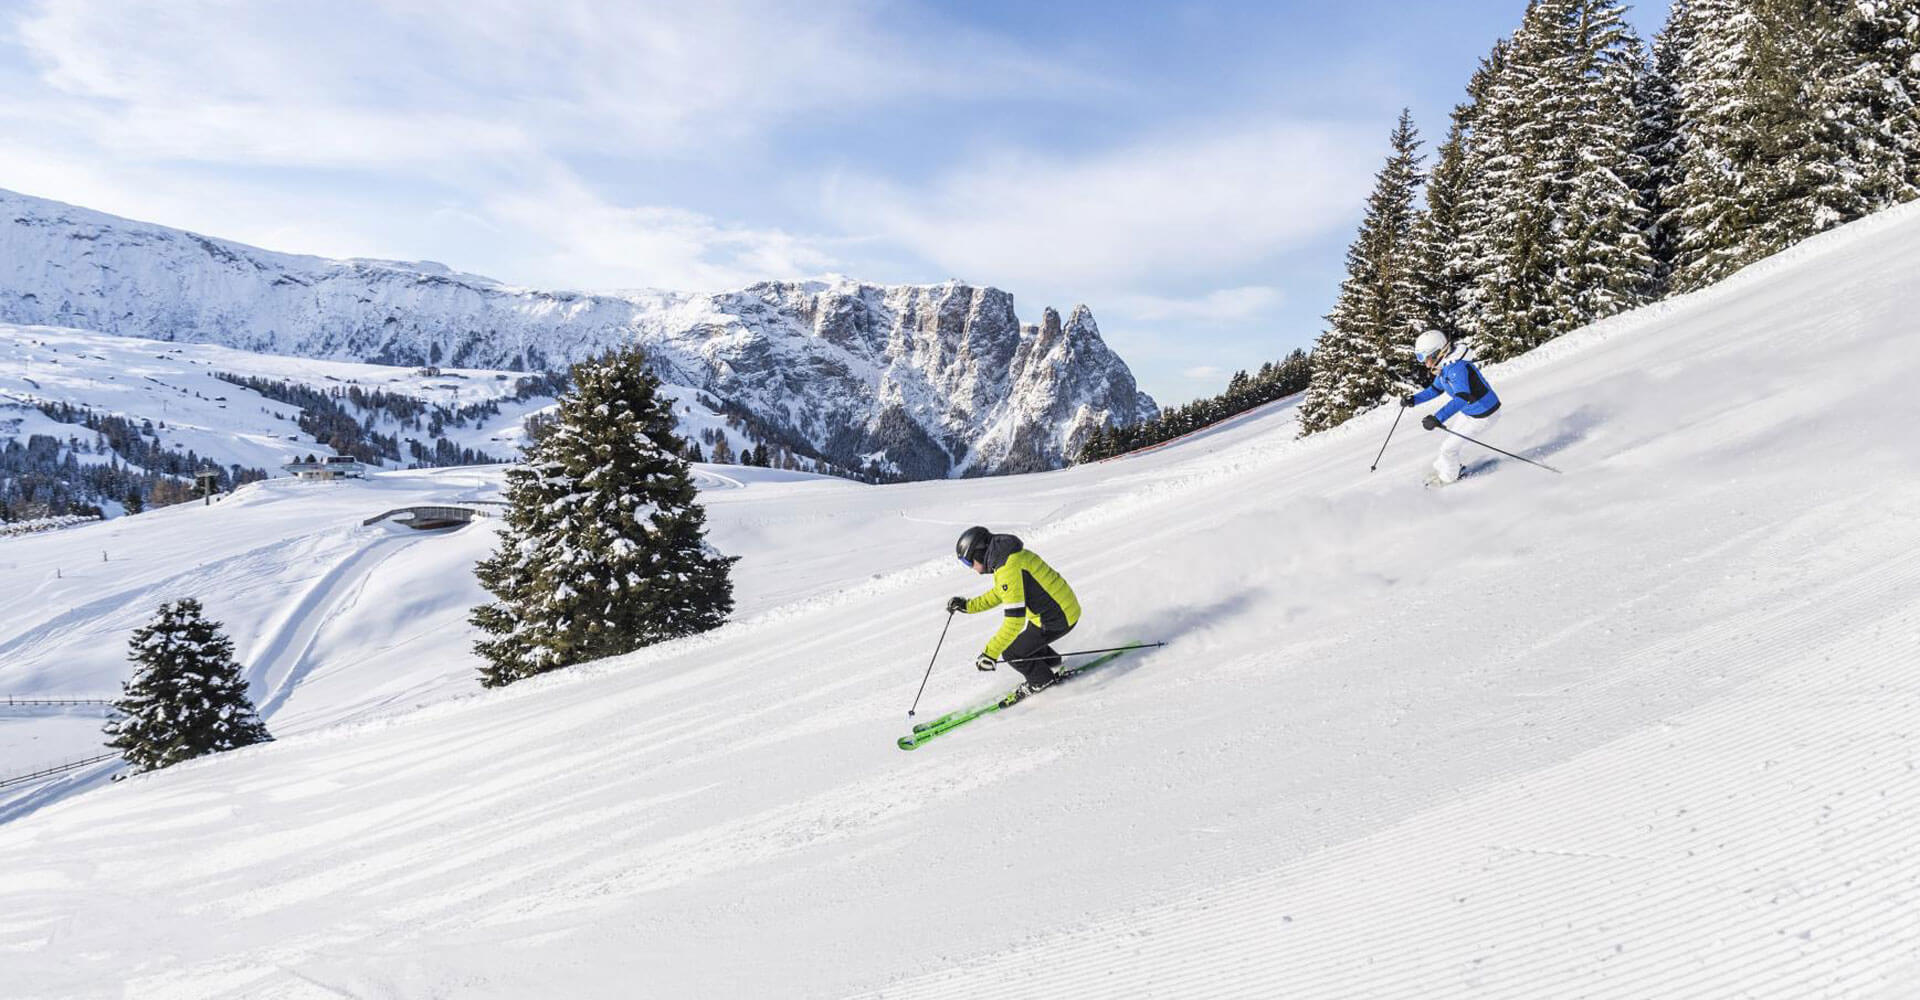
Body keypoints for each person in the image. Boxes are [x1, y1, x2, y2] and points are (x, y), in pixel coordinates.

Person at [945, 526, 1081, 700]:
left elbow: (1014, 622)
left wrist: (990, 653)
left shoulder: (1007, 568)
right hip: (1061, 609)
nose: (972, 568)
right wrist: (968, 606)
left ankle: (1041, 680)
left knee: (1012, 653)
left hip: (1056, 617)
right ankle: (1052, 665)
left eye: (968, 562)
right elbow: (1002, 592)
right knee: (1024, 643)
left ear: (978, 553)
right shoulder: (1009, 557)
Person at [1401, 328, 1501, 485]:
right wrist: (1414, 399)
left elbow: (1462, 397)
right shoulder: (1444, 367)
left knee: (1448, 449)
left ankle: (1449, 479)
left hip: (1484, 415)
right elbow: (1435, 389)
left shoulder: (1455, 368)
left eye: (1425, 358)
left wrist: (1437, 418)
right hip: (1469, 412)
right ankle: (1445, 469)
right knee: (1448, 445)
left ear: (1437, 353)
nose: (1425, 363)